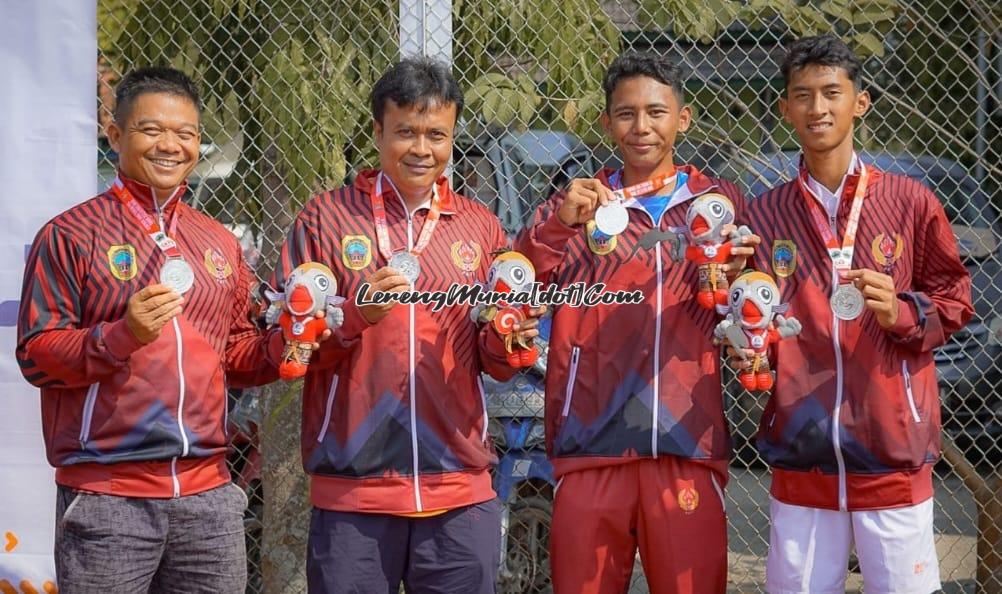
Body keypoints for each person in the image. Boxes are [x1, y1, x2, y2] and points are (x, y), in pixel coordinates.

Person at [270, 57, 544, 594]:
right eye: (406, 132)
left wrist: (511, 339)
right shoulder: (324, 219)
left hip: (459, 488)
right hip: (355, 488)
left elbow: (496, 362)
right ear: (377, 130)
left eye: (437, 135)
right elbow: (288, 345)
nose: (423, 149)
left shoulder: (480, 224)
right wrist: (354, 317)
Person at [15, 67, 287, 593]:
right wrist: (123, 334)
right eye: (151, 130)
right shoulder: (70, 235)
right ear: (115, 134)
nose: (171, 145)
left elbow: (236, 355)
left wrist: (290, 343)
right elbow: (36, 354)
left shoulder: (219, 243)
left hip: (208, 497)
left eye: (186, 133)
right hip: (109, 497)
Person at [514, 52, 757, 594]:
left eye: (655, 112)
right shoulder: (575, 206)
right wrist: (556, 227)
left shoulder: (720, 204)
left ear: (683, 118)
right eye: (626, 114)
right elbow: (520, 282)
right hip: (590, 442)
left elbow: (752, 309)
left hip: (685, 441)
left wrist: (743, 272)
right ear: (606, 123)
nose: (641, 127)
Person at [741, 34, 974, 594]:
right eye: (803, 95)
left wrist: (903, 311)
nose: (817, 108)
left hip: (891, 458)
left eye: (831, 92)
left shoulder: (910, 202)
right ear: (785, 108)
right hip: (802, 457)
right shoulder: (764, 212)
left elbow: (956, 301)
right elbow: (748, 311)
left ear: (859, 102)